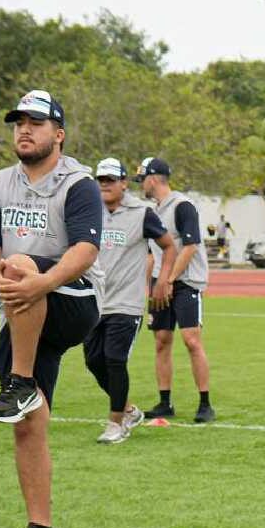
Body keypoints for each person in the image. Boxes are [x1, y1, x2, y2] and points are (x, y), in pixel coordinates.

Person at [0, 89, 103, 528]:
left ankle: (21, 382)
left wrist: (35, 282)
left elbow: (86, 252)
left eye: (36, 122)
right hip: (22, 308)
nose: (24, 129)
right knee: (27, 425)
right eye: (18, 122)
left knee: (22, 263)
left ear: (59, 134)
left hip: (74, 299)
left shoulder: (79, 183)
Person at [84, 157, 176, 443]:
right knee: (93, 361)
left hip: (127, 302)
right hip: (95, 300)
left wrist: (163, 280)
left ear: (124, 183)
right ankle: (128, 410)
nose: (105, 185)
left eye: (111, 180)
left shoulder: (142, 212)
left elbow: (169, 246)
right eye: (101, 180)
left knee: (114, 359)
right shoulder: (90, 212)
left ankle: (115, 424)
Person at [134, 157, 214, 423]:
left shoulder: (183, 206)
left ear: (153, 179)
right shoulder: (152, 212)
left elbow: (190, 247)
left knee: (191, 340)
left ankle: (205, 403)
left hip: (186, 281)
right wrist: (150, 286)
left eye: (142, 179)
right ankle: (164, 402)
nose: (141, 185)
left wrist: (169, 279)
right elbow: (150, 253)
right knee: (161, 341)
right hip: (161, 283)